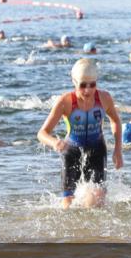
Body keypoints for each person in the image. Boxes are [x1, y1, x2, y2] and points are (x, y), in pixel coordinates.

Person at [37, 58, 122, 208]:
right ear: (74, 82)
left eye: (92, 85)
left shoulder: (104, 98)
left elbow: (116, 121)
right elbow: (42, 133)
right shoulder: (66, 101)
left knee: (97, 202)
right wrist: (54, 142)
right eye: (83, 85)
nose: (88, 90)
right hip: (72, 152)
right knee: (69, 205)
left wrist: (118, 150)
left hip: (97, 151)